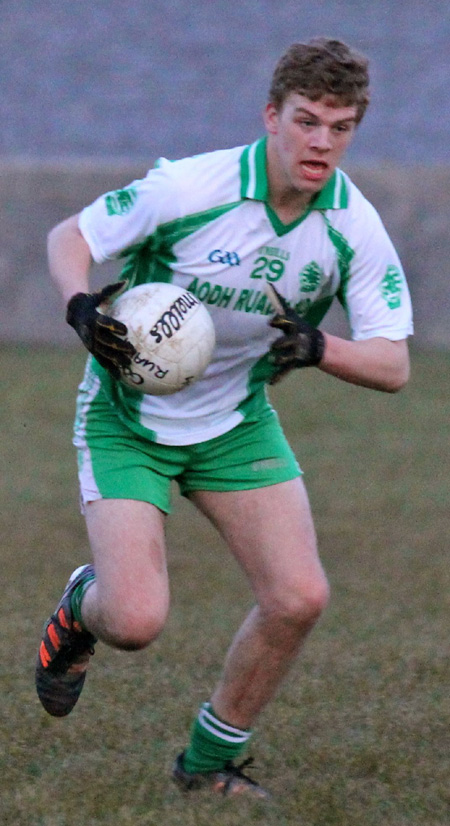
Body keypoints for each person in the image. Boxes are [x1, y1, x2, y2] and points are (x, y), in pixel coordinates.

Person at [35, 37, 413, 798]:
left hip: (236, 421)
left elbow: (393, 364)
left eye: (340, 127)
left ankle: (205, 769)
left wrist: (320, 347)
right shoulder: (191, 188)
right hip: (128, 419)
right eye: (306, 121)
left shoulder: (351, 226)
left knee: (299, 597)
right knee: (136, 622)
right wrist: (79, 304)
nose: (321, 142)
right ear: (270, 116)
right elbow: (69, 237)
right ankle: (83, 604)